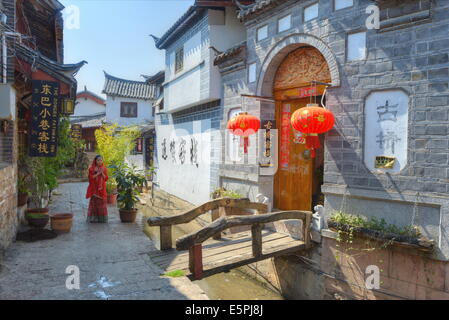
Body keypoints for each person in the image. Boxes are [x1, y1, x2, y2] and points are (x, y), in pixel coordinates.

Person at [85, 155, 109, 223]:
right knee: (94, 203)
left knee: (102, 203)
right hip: (94, 188)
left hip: (102, 188)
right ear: (95, 160)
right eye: (98, 160)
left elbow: (106, 178)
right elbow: (90, 178)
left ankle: (102, 219)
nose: (99, 161)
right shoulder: (92, 168)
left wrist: (102, 174)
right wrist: (98, 174)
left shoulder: (104, 168)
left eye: (101, 160)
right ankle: (93, 218)